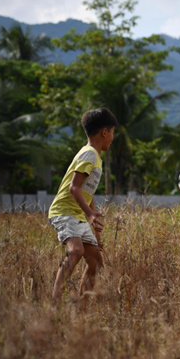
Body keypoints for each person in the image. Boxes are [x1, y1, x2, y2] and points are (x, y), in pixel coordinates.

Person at [48, 107, 117, 301]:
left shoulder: (95, 157)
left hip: (78, 214)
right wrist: (90, 214)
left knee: (95, 261)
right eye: (112, 132)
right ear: (105, 132)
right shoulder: (89, 154)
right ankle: (55, 304)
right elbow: (74, 188)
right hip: (64, 211)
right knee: (76, 250)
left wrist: (95, 228)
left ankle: (82, 309)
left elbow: (88, 193)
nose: (112, 137)